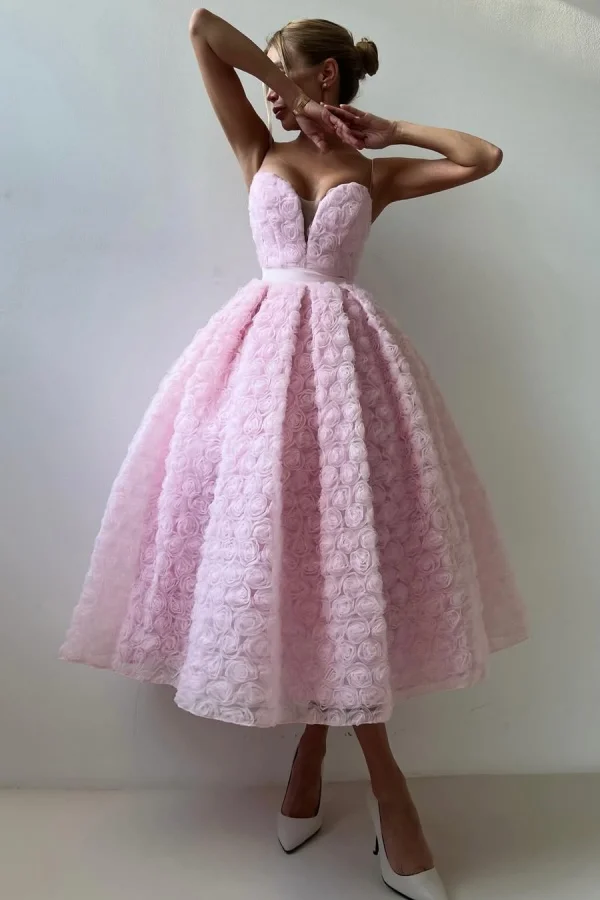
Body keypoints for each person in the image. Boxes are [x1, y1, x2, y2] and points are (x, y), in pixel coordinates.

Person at [61, 10, 528, 899]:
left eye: (286, 74)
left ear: (328, 75)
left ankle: (326, 767)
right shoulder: (257, 149)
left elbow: (483, 156)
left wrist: (391, 129)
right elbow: (203, 30)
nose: (269, 93)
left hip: (352, 380)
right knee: (285, 559)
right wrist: (283, 90)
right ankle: (382, 796)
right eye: (266, 79)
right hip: (254, 377)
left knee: (340, 570)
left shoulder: (374, 172)